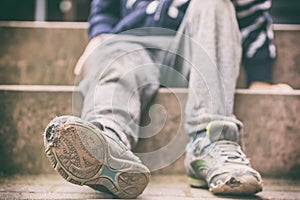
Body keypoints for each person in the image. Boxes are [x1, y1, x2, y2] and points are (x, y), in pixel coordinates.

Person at [43, 0, 269, 198]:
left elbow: (252, 13)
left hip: (194, 44)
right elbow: (105, 7)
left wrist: (261, 74)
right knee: (114, 55)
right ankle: (106, 139)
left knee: (215, 4)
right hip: (133, 41)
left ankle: (211, 139)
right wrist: (99, 34)